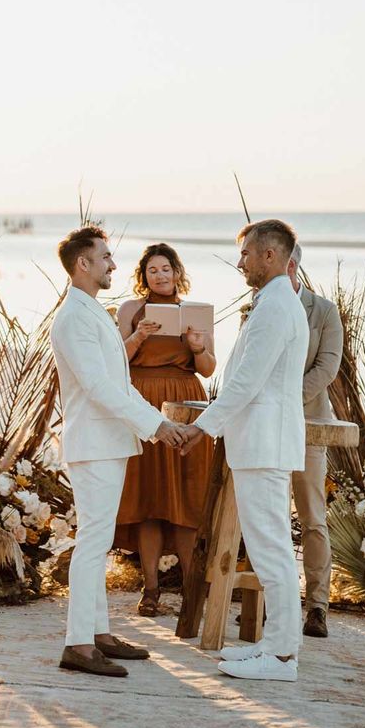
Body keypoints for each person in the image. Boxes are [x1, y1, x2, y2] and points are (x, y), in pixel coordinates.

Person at [50, 226, 188, 678]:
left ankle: (100, 634)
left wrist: (156, 423)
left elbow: (121, 384)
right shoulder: (73, 317)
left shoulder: (94, 312)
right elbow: (99, 387)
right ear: (82, 264)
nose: (112, 264)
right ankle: (78, 643)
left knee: (99, 541)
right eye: (105, 257)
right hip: (93, 444)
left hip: (109, 442)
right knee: (92, 543)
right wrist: (156, 424)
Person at [180, 219, 309, 682]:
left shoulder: (276, 307)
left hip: (265, 443)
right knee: (267, 547)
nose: (240, 262)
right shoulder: (273, 302)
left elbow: (248, 382)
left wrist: (202, 427)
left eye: (246, 254)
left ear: (271, 256)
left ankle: (280, 658)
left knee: (271, 550)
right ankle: (274, 647)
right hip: (259, 442)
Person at [113, 243, 216, 616]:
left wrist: (197, 346)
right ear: (144, 275)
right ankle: (151, 589)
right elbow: (114, 363)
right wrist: (138, 336)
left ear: (177, 272)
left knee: (187, 498)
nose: (160, 275)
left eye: (166, 269)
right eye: (153, 270)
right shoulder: (129, 310)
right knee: (149, 499)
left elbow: (207, 369)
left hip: (186, 401)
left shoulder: (195, 312)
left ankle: (193, 588)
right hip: (142, 404)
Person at [288, 244, 344, 639]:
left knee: (313, 517)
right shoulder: (254, 309)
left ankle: (317, 607)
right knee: (267, 515)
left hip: (309, 422)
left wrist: (285, 398)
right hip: (265, 426)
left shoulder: (323, 311)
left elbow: (327, 367)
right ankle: (270, 602)